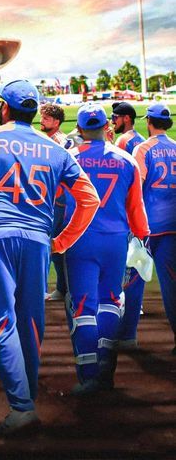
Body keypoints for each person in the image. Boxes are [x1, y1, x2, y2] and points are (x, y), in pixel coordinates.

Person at [0, 80, 100, 435]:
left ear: (4, 109)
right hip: (39, 240)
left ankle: (21, 405)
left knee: (0, 322)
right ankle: (28, 395)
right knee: (30, 320)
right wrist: (62, 241)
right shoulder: (57, 148)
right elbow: (90, 199)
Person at [64, 103, 149, 395]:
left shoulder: (69, 158)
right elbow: (135, 207)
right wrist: (142, 236)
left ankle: (88, 374)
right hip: (115, 238)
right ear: (106, 127)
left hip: (79, 238)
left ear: (79, 128)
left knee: (83, 305)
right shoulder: (126, 160)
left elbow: (58, 202)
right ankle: (106, 368)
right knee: (111, 300)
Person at [133, 103, 176, 354]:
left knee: (168, 284)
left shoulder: (143, 148)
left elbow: (136, 186)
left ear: (149, 122)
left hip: (155, 226)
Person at [111, 101, 146, 350]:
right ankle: (136, 305)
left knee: (125, 266)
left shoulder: (123, 143)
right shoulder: (142, 139)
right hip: (148, 211)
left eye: (115, 117)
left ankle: (123, 313)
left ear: (125, 118)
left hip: (126, 214)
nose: (113, 120)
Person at [39, 103, 67, 301]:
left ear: (56, 122)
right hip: (53, 200)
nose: (41, 121)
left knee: (44, 245)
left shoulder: (59, 142)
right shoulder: (48, 139)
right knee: (57, 248)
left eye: (46, 118)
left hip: (56, 202)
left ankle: (38, 288)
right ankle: (62, 288)